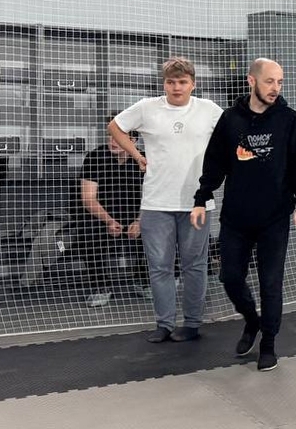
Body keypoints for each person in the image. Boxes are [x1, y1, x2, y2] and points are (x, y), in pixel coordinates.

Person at [192, 58, 296, 372]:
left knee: (270, 283)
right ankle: (251, 320)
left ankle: (269, 343)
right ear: (252, 81)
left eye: (280, 82)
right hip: (237, 216)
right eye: (269, 81)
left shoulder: (289, 119)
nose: (276, 88)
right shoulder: (230, 119)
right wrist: (201, 197)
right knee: (230, 277)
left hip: (275, 217)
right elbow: (215, 162)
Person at [110, 57, 222, 343]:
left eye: (182, 82)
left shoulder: (209, 110)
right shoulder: (147, 108)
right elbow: (115, 126)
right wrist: (137, 155)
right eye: (171, 82)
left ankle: (192, 323)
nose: (176, 87)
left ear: (192, 84)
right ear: (164, 84)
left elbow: (233, 135)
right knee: (159, 266)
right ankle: (164, 324)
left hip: (197, 203)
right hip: (156, 203)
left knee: (194, 266)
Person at [76, 117, 147, 308]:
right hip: (102, 214)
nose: (113, 141)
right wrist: (109, 221)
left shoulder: (144, 159)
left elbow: (153, 195)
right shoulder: (95, 157)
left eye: (119, 137)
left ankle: (144, 279)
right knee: (87, 234)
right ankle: (101, 286)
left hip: (136, 214)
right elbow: (88, 198)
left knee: (158, 228)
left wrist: (139, 221)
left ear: (133, 141)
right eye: (111, 136)